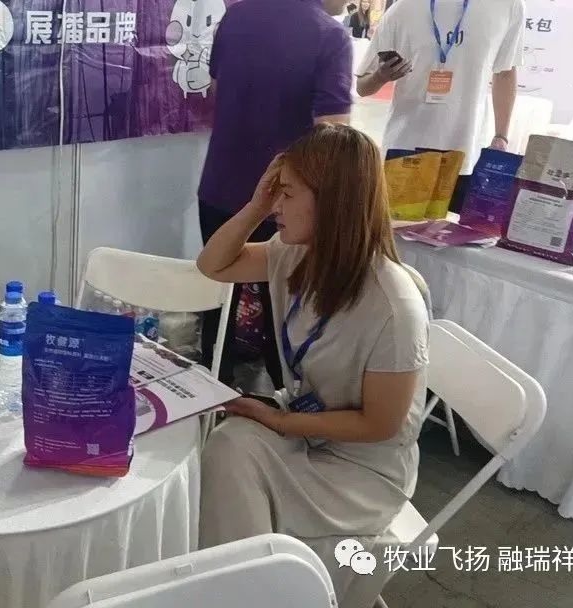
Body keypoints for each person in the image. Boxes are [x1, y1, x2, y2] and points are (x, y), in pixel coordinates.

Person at [196, 124, 429, 552]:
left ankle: (246, 574)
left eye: (286, 194)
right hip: (308, 433)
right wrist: (254, 207)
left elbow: (379, 424)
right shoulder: (296, 254)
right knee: (228, 446)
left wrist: (281, 421)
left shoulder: (394, 308)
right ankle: (249, 574)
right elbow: (213, 265)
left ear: (333, 201)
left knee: (230, 459)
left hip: (360, 470)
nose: (276, 206)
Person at [197, 0, 353, 390]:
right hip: (283, 200)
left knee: (217, 295)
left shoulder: (237, 15)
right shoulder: (330, 35)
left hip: (220, 182)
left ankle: (212, 391)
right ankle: (284, 399)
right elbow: (332, 137)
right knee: (284, 308)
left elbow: (216, 87)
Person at [356, 0, 526, 170]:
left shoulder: (509, 5)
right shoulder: (403, 7)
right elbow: (362, 87)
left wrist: (501, 136)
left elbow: (505, 72)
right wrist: (380, 77)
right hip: (405, 150)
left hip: (467, 151)